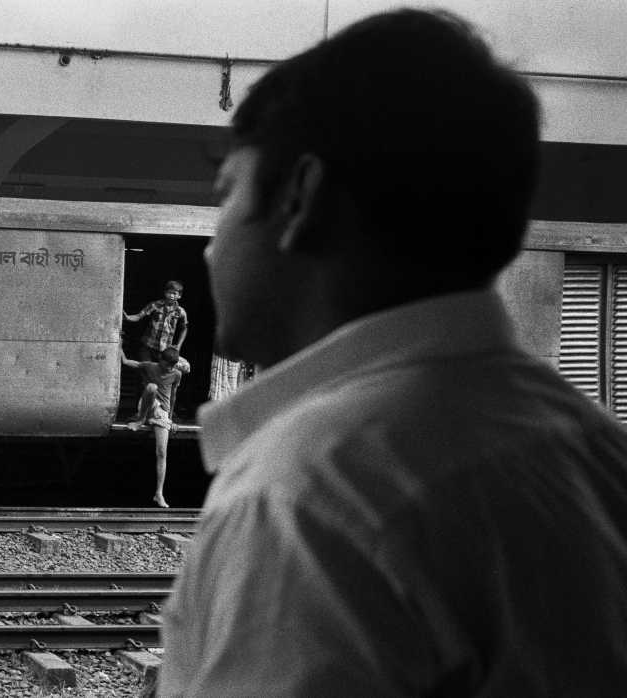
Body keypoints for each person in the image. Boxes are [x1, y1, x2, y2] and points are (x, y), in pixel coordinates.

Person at [161, 9, 627, 696]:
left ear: (300, 198)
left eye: (225, 195)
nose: (210, 244)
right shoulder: (594, 452)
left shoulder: (310, 499)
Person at [120, 348, 189, 508]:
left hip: (161, 413)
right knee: (152, 387)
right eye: (168, 365)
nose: (170, 369)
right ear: (161, 360)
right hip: (147, 406)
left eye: (173, 366)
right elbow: (128, 362)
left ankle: (159, 493)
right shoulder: (150, 366)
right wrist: (120, 347)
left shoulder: (176, 374)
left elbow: (173, 396)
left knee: (162, 452)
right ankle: (140, 420)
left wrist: (170, 419)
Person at [122, 280, 187, 363]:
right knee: (147, 370)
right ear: (165, 293)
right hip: (148, 346)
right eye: (169, 292)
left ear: (179, 296)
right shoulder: (155, 305)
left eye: (174, 293)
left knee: (162, 372)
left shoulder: (180, 312)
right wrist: (127, 317)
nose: (171, 295)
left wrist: (178, 346)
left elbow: (184, 328)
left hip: (165, 350)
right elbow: (139, 316)